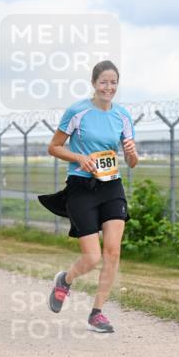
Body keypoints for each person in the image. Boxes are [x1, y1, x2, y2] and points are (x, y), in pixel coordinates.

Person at [40, 60, 138, 334]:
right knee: (92, 257)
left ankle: (97, 312)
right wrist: (79, 158)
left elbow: (132, 162)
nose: (109, 87)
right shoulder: (78, 111)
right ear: (94, 83)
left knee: (113, 251)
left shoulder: (123, 116)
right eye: (104, 82)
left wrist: (131, 152)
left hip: (111, 185)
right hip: (81, 186)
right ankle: (65, 280)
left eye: (113, 82)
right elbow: (54, 147)